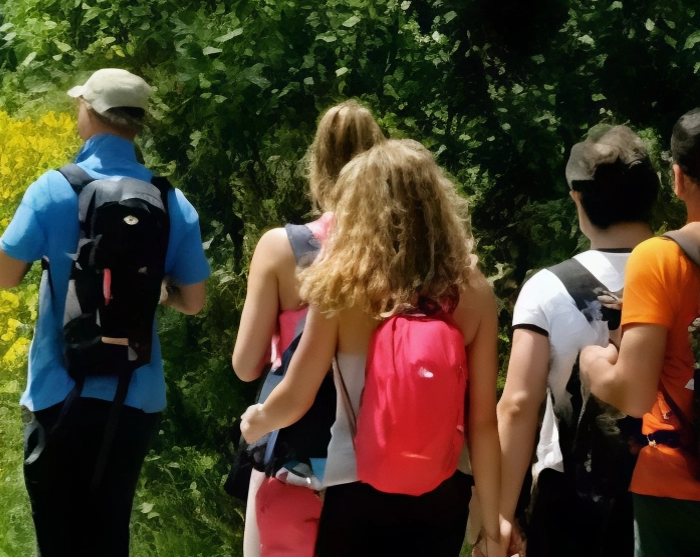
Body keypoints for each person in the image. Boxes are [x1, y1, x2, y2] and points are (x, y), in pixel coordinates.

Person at [240, 139, 507, 556]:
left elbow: (296, 395)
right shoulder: (473, 292)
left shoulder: (342, 289)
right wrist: (492, 526)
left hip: (356, 485)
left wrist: (256, 421)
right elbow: (484, 425)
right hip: (442, 491)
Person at [0, 68, 211, 556]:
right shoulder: (171, 201)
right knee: (110, 526)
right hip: (136, 392)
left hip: (59, 389)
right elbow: (194, 301)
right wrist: (161, 295)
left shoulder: (51, 189)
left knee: (58, 531)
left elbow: (5, 275)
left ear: (89, 113)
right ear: (137, 125)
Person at [231, 100, 384, 557]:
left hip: (293, 438)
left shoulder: (281, 248)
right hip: (375, 442)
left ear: (316, 164)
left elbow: (244, 365)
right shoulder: (394, 252)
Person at [498, 125, 658, 556]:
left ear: (577, 199)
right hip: (673, 496)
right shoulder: (684, 273)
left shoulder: (547, 288)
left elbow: (518, 405)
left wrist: (501, 511)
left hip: (575, 507)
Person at [581, 109, 700, 556]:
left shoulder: (660, 258)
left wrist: (593, 363)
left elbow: (630, 394)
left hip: (677, 486)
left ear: (678, 178)